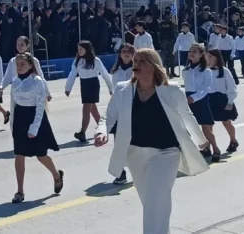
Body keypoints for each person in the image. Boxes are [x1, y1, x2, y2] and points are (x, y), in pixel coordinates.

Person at [94, 49, 209, 234]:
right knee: (152, 203)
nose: (135, 65)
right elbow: (109, 115)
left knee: (156, 200)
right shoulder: (123, 89)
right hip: (135, 154)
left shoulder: (171, 90)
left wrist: (201, 140)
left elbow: (187, 116)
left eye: (141, 61)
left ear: (153, 66)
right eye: (135, 61)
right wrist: (102, 132)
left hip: (166, 153)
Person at [8, 52, 63, 204]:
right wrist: (12, 123)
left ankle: (56, 175)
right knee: (19, 154)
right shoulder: (15, 81)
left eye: (22, 64)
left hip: (35, 118)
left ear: (31, 66)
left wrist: (34, 127)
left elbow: (40, 106)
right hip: (20, 118)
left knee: (41, 155)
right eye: (17, 64)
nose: (19, 67)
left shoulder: (37, 81)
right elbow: (13, 104)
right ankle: (20, 190)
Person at [64, 40, 113, 143]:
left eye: (81, 49)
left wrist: (110, 87)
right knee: (93, 110)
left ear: (87, 49)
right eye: (78, 49)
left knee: (86, 109)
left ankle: (82, 132)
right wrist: (68, 88)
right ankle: (103, 129)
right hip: (84, 85)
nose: (79, 51)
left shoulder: (96, 60)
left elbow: (104, 73)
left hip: (93, 85)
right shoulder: (77, 61)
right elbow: (72, 74)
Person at [183, 43, 221, 162]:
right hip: (188, 99)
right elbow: (186, 86)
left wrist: (194, 98)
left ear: (201, 55)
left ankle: (215, 148)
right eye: (190, 51)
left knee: (205, 128)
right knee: (190, 128)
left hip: (201, 99)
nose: (191, 53)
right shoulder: (186, 70)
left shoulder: (206, 71)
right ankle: (203, 149)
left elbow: (206, 89)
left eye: (195, 51)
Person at [108, 44, 136, 185]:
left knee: (135, 143)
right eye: (123, 52)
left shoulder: (137, 69)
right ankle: (120, 173)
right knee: (118, 142)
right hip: (120, 110)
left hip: (135, 109)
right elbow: (114, 91)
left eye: (128, 52)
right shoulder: (115, 71)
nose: (126, 54)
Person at [204, 49, 239, 156]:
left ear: (217, 58)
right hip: (209, 99)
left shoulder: (224, 71)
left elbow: (232, 87)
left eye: (211, 57)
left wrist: (230, 102)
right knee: (208, 125)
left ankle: (233, 140)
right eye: (207, 57)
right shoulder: (204, 71)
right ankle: (208, 146)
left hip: (222, 100)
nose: (208, 59)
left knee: (227, 123)